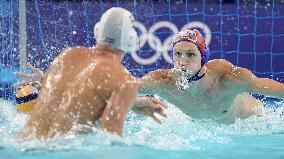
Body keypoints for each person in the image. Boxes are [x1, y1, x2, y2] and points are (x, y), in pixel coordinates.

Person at [19, 7, 166, 139]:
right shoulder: (125, 81)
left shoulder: (67, 55)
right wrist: (126, 97)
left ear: (97, 31)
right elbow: (110, 141)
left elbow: (76, 95)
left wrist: (132, 102)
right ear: (131, 41)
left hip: (23, 143)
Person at [139, 29, 284, 123]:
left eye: (190, 54)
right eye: (177, 54)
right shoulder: (164, 83)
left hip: (255, 123)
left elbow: (275, 90)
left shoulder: (227, 79)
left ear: (203, 57)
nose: (182, 61)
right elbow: (125, 88)